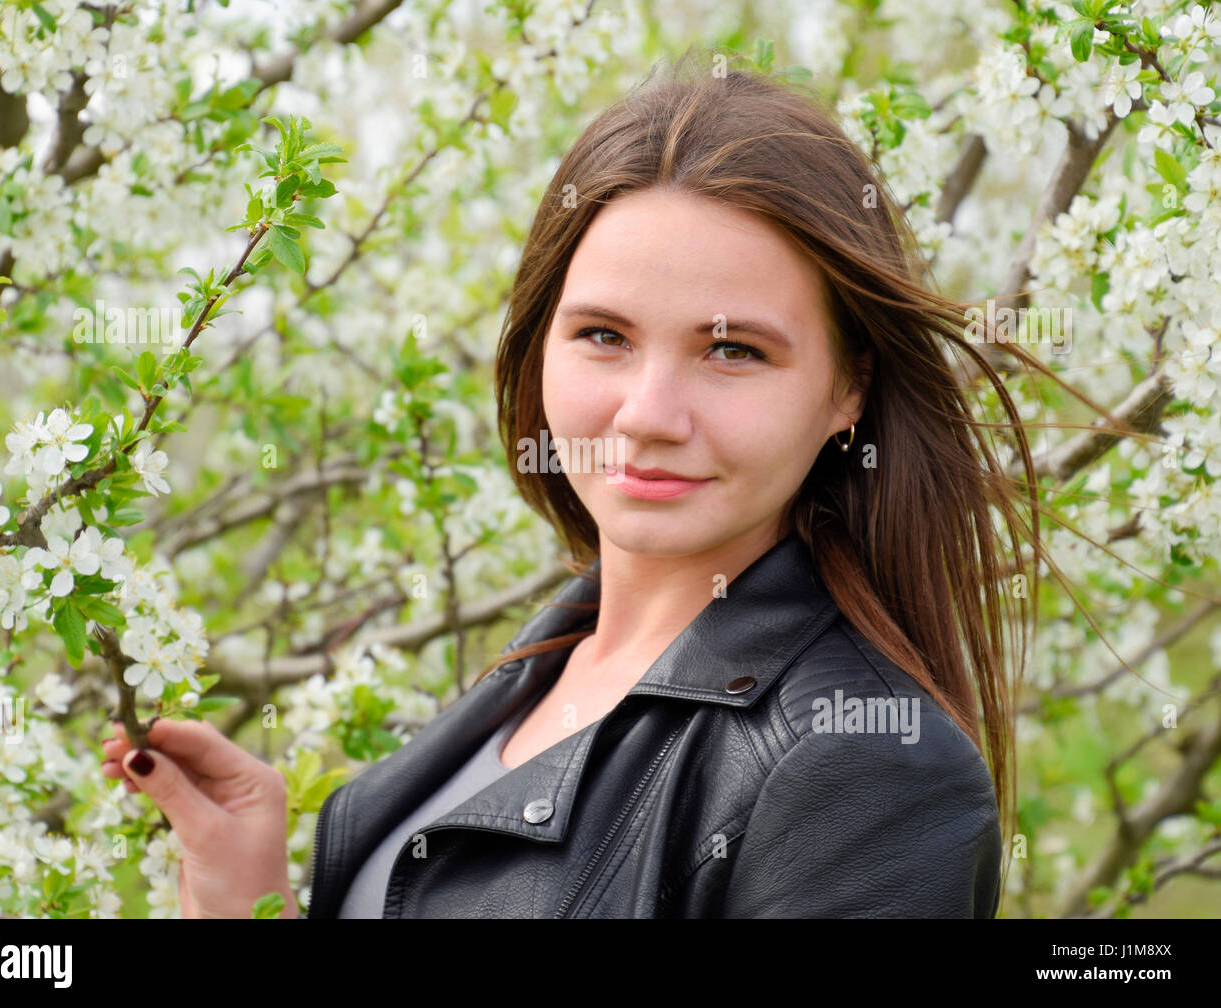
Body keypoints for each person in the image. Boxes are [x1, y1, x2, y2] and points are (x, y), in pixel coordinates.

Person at [101, 52, 1053, 918]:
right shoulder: (531, 680)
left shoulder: (864, 766)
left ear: (848, 389)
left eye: (733, 349)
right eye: (604, 335)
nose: (647, 412)